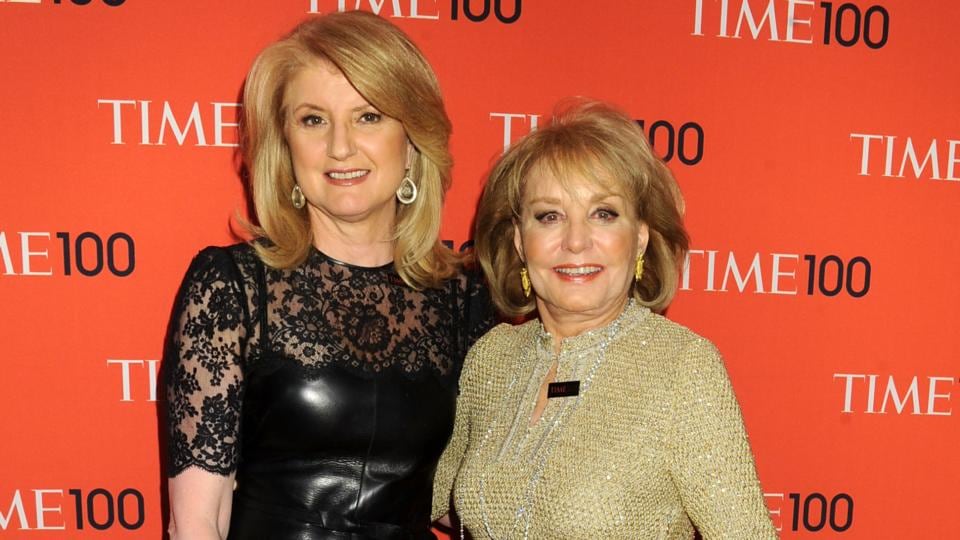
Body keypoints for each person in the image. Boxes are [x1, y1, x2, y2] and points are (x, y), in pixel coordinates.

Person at [164, 11, 493, 540]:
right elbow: (198, 521)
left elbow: (483, 495)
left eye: (369, 117)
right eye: (313, 120)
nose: (341, 147)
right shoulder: (233, 287)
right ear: (285, 147)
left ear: (412, 143)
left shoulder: (466, 301)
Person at [432, 100, 778, 539]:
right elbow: (430, 495)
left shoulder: (681, 367)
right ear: (520, 241)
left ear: (639, 239)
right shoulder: (493, 359)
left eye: (604, 214)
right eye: (549, 216)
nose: (576, 242)